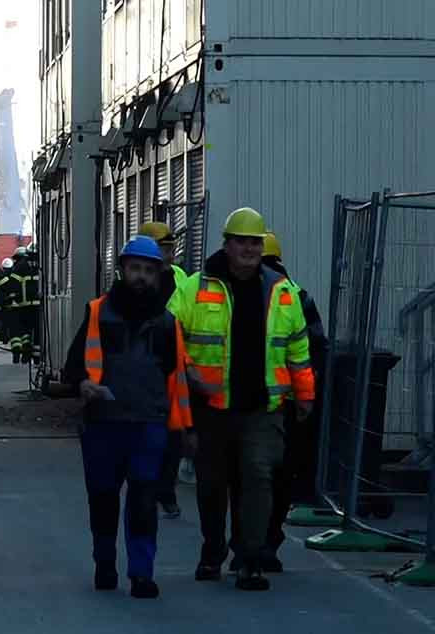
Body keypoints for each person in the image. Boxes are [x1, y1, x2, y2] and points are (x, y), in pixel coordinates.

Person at [168, 207, 315, 591]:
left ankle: (250, 559)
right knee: (212, 484)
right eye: (242, 242)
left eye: (255, 242)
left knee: (258, 479)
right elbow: (168, 333)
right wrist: (188, 371)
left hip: (262, 409)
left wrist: (305, 395)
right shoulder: (196, 287)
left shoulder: (283, 292)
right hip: (212, 406)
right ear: (227, 245)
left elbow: (298, 348)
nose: (249, 249)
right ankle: (212, 551)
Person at [63, 235, 194, 599]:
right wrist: (83, 384)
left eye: (148, 271)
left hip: (148, 424)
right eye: (134, 268)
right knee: (103, 498)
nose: (140, 277)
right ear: (121, 270)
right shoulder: (97, 313)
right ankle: (105, 563)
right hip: (103, 423)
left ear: (158, 275)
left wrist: (183, 429)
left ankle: (141, 573)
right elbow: (72, 368)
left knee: (142, 500)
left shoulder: (168, 324)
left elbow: (176, 380)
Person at [249, 230, 328, 572]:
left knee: (253, 477)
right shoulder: (299, 296)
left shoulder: (243, 295)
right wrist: (306, 397)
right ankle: (268, 541)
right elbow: (316, 351)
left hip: (255, 404)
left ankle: (250, 543)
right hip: (291, 404)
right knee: (281, 477)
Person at [138, 221, 188, 519]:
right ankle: (148, 485)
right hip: (145, 365)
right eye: (163, 247)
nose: (169, 253)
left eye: (170, 247)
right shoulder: (138, 279)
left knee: (175, 433)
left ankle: (165, 489)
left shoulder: (181, 277)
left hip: (175, 366)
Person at [6, 246, 41, 364]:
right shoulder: (42, 265)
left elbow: (13, 284)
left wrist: (13, 297)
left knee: (24, 329)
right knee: (38, 333)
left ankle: (25, 347)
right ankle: (36, 358)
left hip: (24, 305)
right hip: (39, 306)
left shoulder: (21, 265)